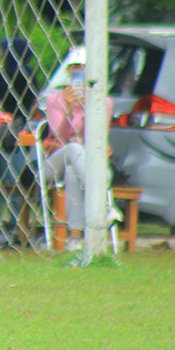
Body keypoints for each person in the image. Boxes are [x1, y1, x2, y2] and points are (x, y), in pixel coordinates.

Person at [42, 47, 113, 251]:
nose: (78, 73)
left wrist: (88, 107)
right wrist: (70, 109)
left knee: (75, 172)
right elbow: (60, 137)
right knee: (73, 148)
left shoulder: (103, 102)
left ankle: (74, 238)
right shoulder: (55, 100)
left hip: (86, 162)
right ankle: (105, 207)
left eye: (83, 69)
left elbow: (97, 139)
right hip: (57, 159)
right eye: (75, 69)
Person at [0, 37, 38, 245]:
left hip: (8, 137)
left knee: (6, 182)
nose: (2, 54)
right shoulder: (11, 73)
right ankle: (8, 228)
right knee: (3, 182)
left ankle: (1, 229)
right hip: (10, 136)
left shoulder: (14, 74)